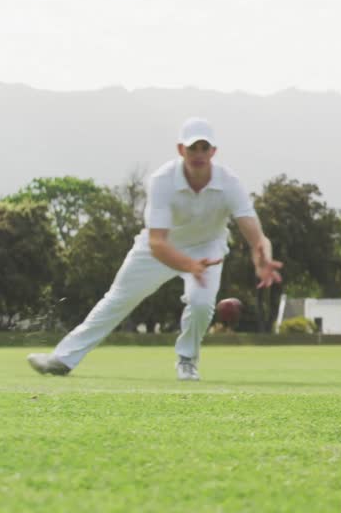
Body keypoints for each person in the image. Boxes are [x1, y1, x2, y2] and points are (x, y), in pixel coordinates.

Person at [26, 117, 283, 381]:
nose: (198, 154)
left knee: (201, 304)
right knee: (117, 300)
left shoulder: (229, 183)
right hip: (160, 247)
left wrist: (262, 257)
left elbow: (256, 235)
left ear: (213, 152)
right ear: (180, 150)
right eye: (192, 148)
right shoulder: (163, 180)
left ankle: (187, 360)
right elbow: (158, 242)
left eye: (204, 148)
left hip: (207, 249)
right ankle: (62, 359)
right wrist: (187, 265)